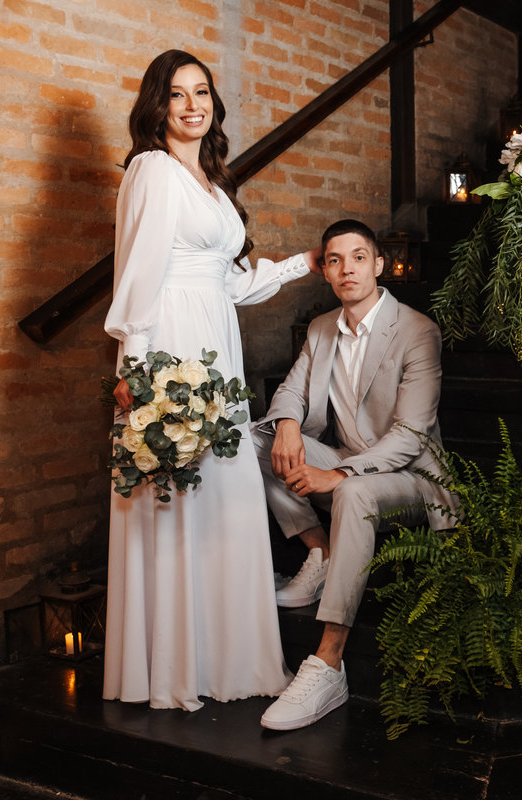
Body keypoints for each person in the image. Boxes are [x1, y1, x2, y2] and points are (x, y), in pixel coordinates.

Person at [103, 50, 319, 711]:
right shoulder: (151, 170)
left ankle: (224, 653)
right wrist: (135, 372)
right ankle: (172, 666)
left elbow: (226, 281)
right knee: (176, 490)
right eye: (177, 95)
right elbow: (139, 273)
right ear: (157, 106)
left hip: (217, 340)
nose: (193, 105)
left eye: (202, 92)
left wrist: (298, 266)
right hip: (172, 343)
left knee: (220, 490)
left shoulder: (212, 186)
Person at [252, 219, 455, 731]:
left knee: (356, 495)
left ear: (379, 265)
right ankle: (319, 551)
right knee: (251, 437)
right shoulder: (322, 329)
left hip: (412, 479)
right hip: (346, 464)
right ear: (326, 272)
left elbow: (410, 437)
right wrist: (289, 426)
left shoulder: (417, 330)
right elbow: (291, 391)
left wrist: (339, 473)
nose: (347, 269)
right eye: (335, 260)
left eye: (358, 257)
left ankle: (328, 662)